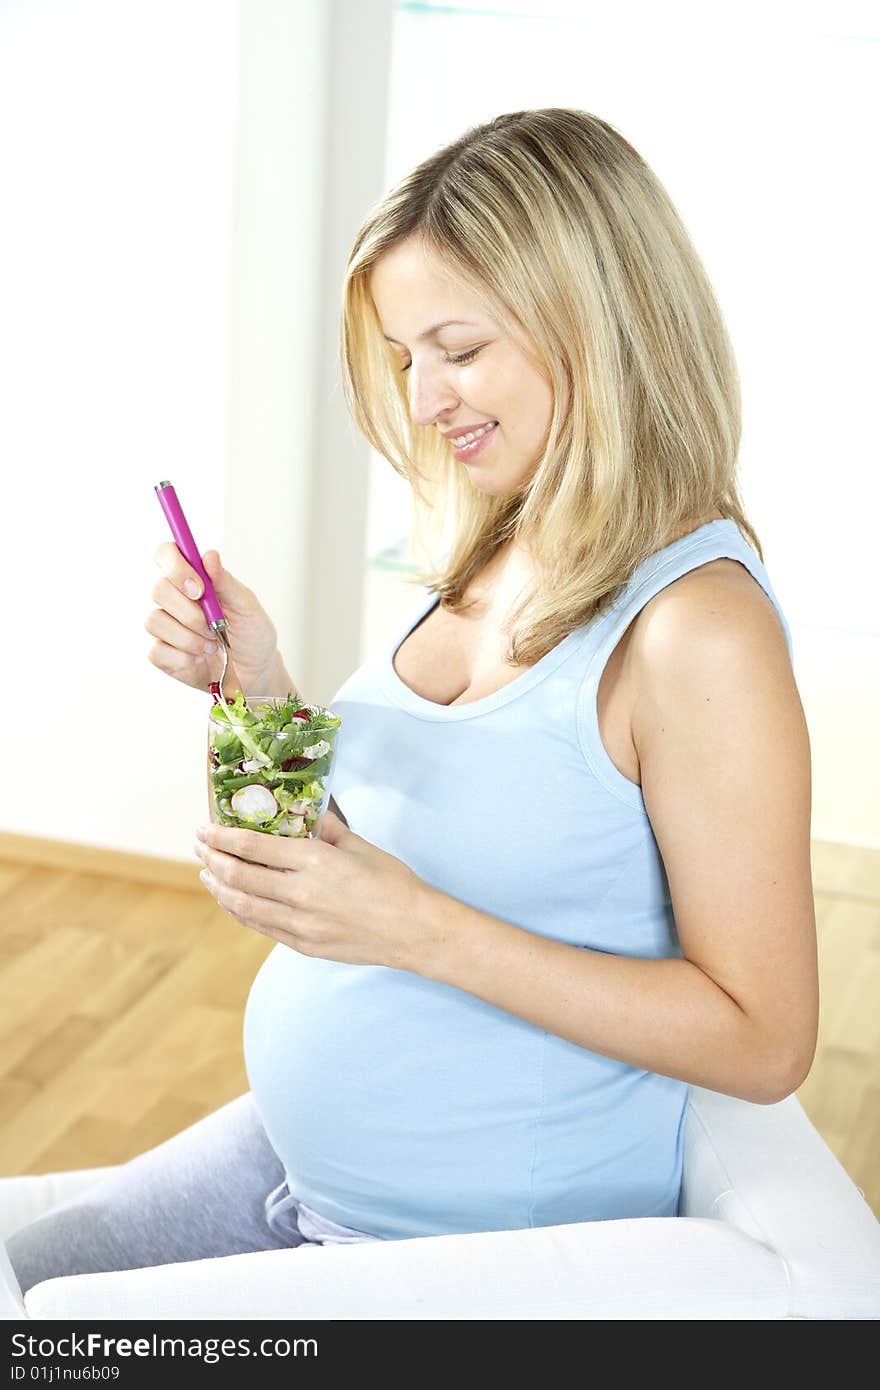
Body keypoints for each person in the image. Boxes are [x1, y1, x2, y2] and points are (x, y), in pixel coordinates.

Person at [5, 107, 818, 1295]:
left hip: (456, 1236)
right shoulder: (512, 529)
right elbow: (445, 823)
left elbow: (764, 1037)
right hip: (302, 1163)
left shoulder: (697, 629)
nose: (426, 396)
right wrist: (260, 682)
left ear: (593, 320)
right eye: (403, 356)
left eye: (459, 346)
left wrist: (413, 929)